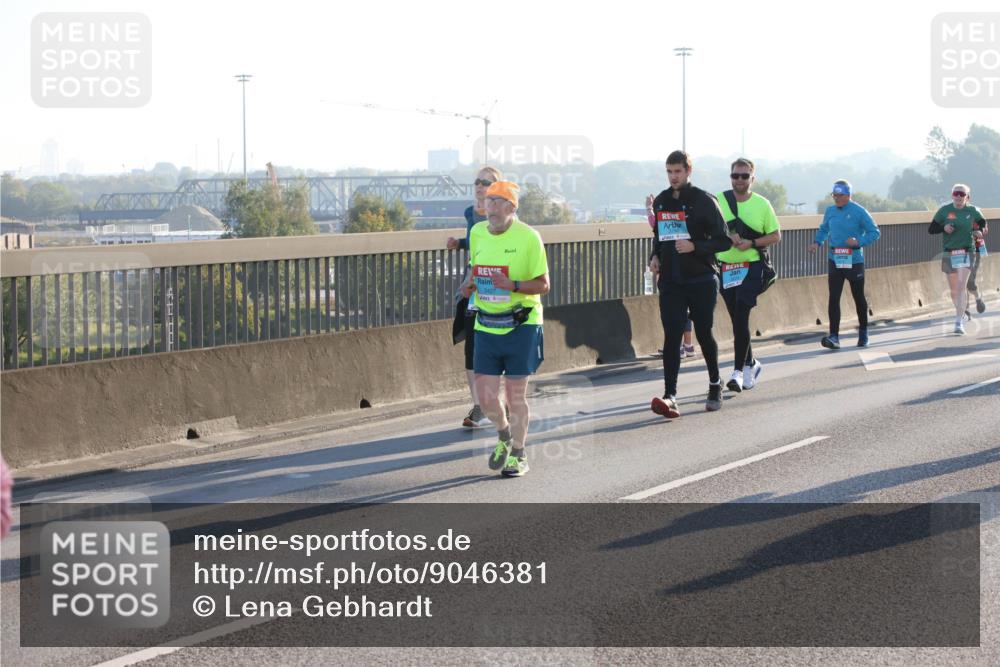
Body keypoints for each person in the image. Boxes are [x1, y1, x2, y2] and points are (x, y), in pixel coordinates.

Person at [460, 181, 549, 477]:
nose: (491, 207)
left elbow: (543, 285)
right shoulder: (476, 232)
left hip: (521, 324)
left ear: (512, 208)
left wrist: (512, 286)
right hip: (486, 322)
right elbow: (476, 269)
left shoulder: (528, 237)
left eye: (499, 202)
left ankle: (519, 454)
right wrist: (468, 284)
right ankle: (503, 434)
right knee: (485, 398)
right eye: (488, 201)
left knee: (514, 396)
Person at [646, 150, 732, 418]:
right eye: (669, 172)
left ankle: (714, 385)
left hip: (701, 278)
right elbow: (659, 238)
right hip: (671, 280)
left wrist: (695, 246)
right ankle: (670, 396)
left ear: (688, 171)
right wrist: (655, 256)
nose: (673, 177)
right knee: (672, 336)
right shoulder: (661, 201)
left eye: (678, 171)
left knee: (704, 333)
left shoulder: (704, 200)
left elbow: (724, 240)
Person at [715, 158, 781, 392]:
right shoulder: (719, 200)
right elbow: (708, 229)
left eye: (744, 176)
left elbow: (775, 236)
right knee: (737, 321)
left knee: (741, 314)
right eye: (735, 176)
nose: (739, 180)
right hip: (725, 267)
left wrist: (752, 242)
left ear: (753, 178)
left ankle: (737, 372)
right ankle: (751, 363)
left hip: (751, 266)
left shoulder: (763, 205)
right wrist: (726, 238)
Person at [448, 167, 502, 428]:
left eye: (486, 182)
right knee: (471, 343)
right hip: (472, 285)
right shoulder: (471, 214)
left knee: (492, 342)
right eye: (478, 182)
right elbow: (475, 241)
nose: (480, 186)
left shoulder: (503, 216)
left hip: (495, 284)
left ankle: (495, 400)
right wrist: (459, 243)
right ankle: (479, 405)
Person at [809, 180, 880, 349]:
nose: (836, 198)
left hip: (854, 260)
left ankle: (863, 333)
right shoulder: (830, 211)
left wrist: (858, 241)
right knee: (834, 298)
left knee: (858, 297)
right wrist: (817, 242)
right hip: (835, 258)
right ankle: (834, 336)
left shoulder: (859, 211)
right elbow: (824, 229)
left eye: (839, 195)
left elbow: (875, 232)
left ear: (848, 195)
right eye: (834, 195)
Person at [929, 183, 986, 335]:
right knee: (954, 290)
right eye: (956, 193)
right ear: (952, 195)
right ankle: (961, 310)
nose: (959, 197)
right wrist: (944, 228)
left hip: (967, 251)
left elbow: (982, 222)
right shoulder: (944, 211)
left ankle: (958, 322)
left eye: (962, 194)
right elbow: (931, 229)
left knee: (961, 286)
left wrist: (979, 231)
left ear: (967, 197)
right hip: (949, 253)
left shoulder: (972, 210)